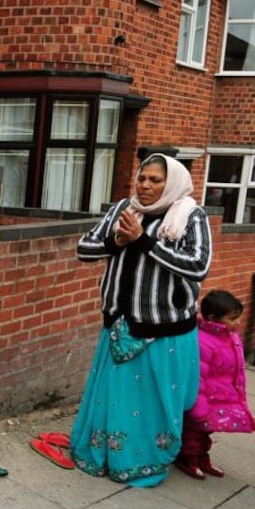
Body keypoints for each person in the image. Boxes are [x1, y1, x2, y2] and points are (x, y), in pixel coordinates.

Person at [69, 153, 212, 487]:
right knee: (115, 399)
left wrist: (144, 242)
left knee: (154, 402)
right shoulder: (124, 210)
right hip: (119, 323)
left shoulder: (190, 216)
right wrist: (116, 241)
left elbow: (198, 265)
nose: (145, 185)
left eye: (155, 180)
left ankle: (144, 462)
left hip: (164, 330)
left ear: (171, 182)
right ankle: (105, 455)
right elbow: (84, 249)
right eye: (142, 178)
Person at [175, 289, 255, 479]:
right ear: (213, 318)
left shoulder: (230, 336)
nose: (238, 322)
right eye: (233, 318)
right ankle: (188, 458)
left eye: (239, 317)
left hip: (219, 396)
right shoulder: (203, 341)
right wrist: (197, 405)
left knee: (206, 432)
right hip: (204, 398)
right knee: (193, 431)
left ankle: (202, 457)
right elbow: (198, 377)